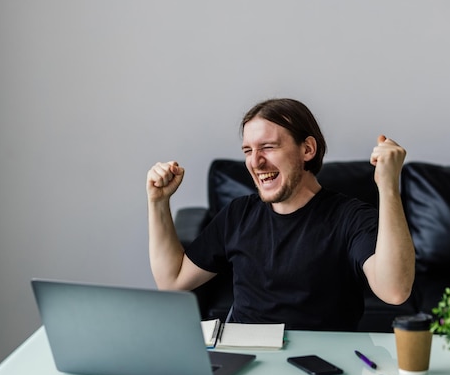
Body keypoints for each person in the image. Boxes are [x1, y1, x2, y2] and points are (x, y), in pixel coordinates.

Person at [147, 98, 415, 331]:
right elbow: (173, 281)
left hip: (321, 366)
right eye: (248, 150)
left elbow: (395, 291)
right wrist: (158, 202)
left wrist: (388, 186)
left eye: (268, 147)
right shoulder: (238, 214)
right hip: (246, 361)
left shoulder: (350, 217)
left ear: (307, 149)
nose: (255, 161)